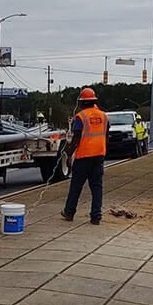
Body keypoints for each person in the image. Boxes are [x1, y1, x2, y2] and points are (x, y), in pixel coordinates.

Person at [62, 87, 109, 225]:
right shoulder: (104, 116)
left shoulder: (81, 117)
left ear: (82, 102)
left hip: (83, 157)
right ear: (94, 101)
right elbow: (106, 136)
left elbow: (76, 138)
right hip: (98, 156)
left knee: (76, 186)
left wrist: (68, 154)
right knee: (97, 187)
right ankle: (96, 216)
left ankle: (69, 212)